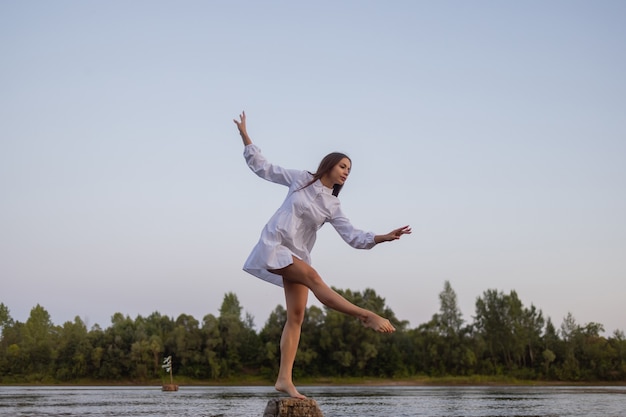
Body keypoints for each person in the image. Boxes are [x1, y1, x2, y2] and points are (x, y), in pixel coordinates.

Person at [233, 111, 411, 399]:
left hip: (297, 255)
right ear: (329, 165)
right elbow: (263, 168)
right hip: (275, 245)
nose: (346, 172)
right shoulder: (301, 179)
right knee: (314, 278)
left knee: (297, 315)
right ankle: (365, 315)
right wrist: (245, 135)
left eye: (349, 170)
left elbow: (353, 236)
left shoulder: (333, 206)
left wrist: (382, 237)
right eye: (343, 165)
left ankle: (283, 380)